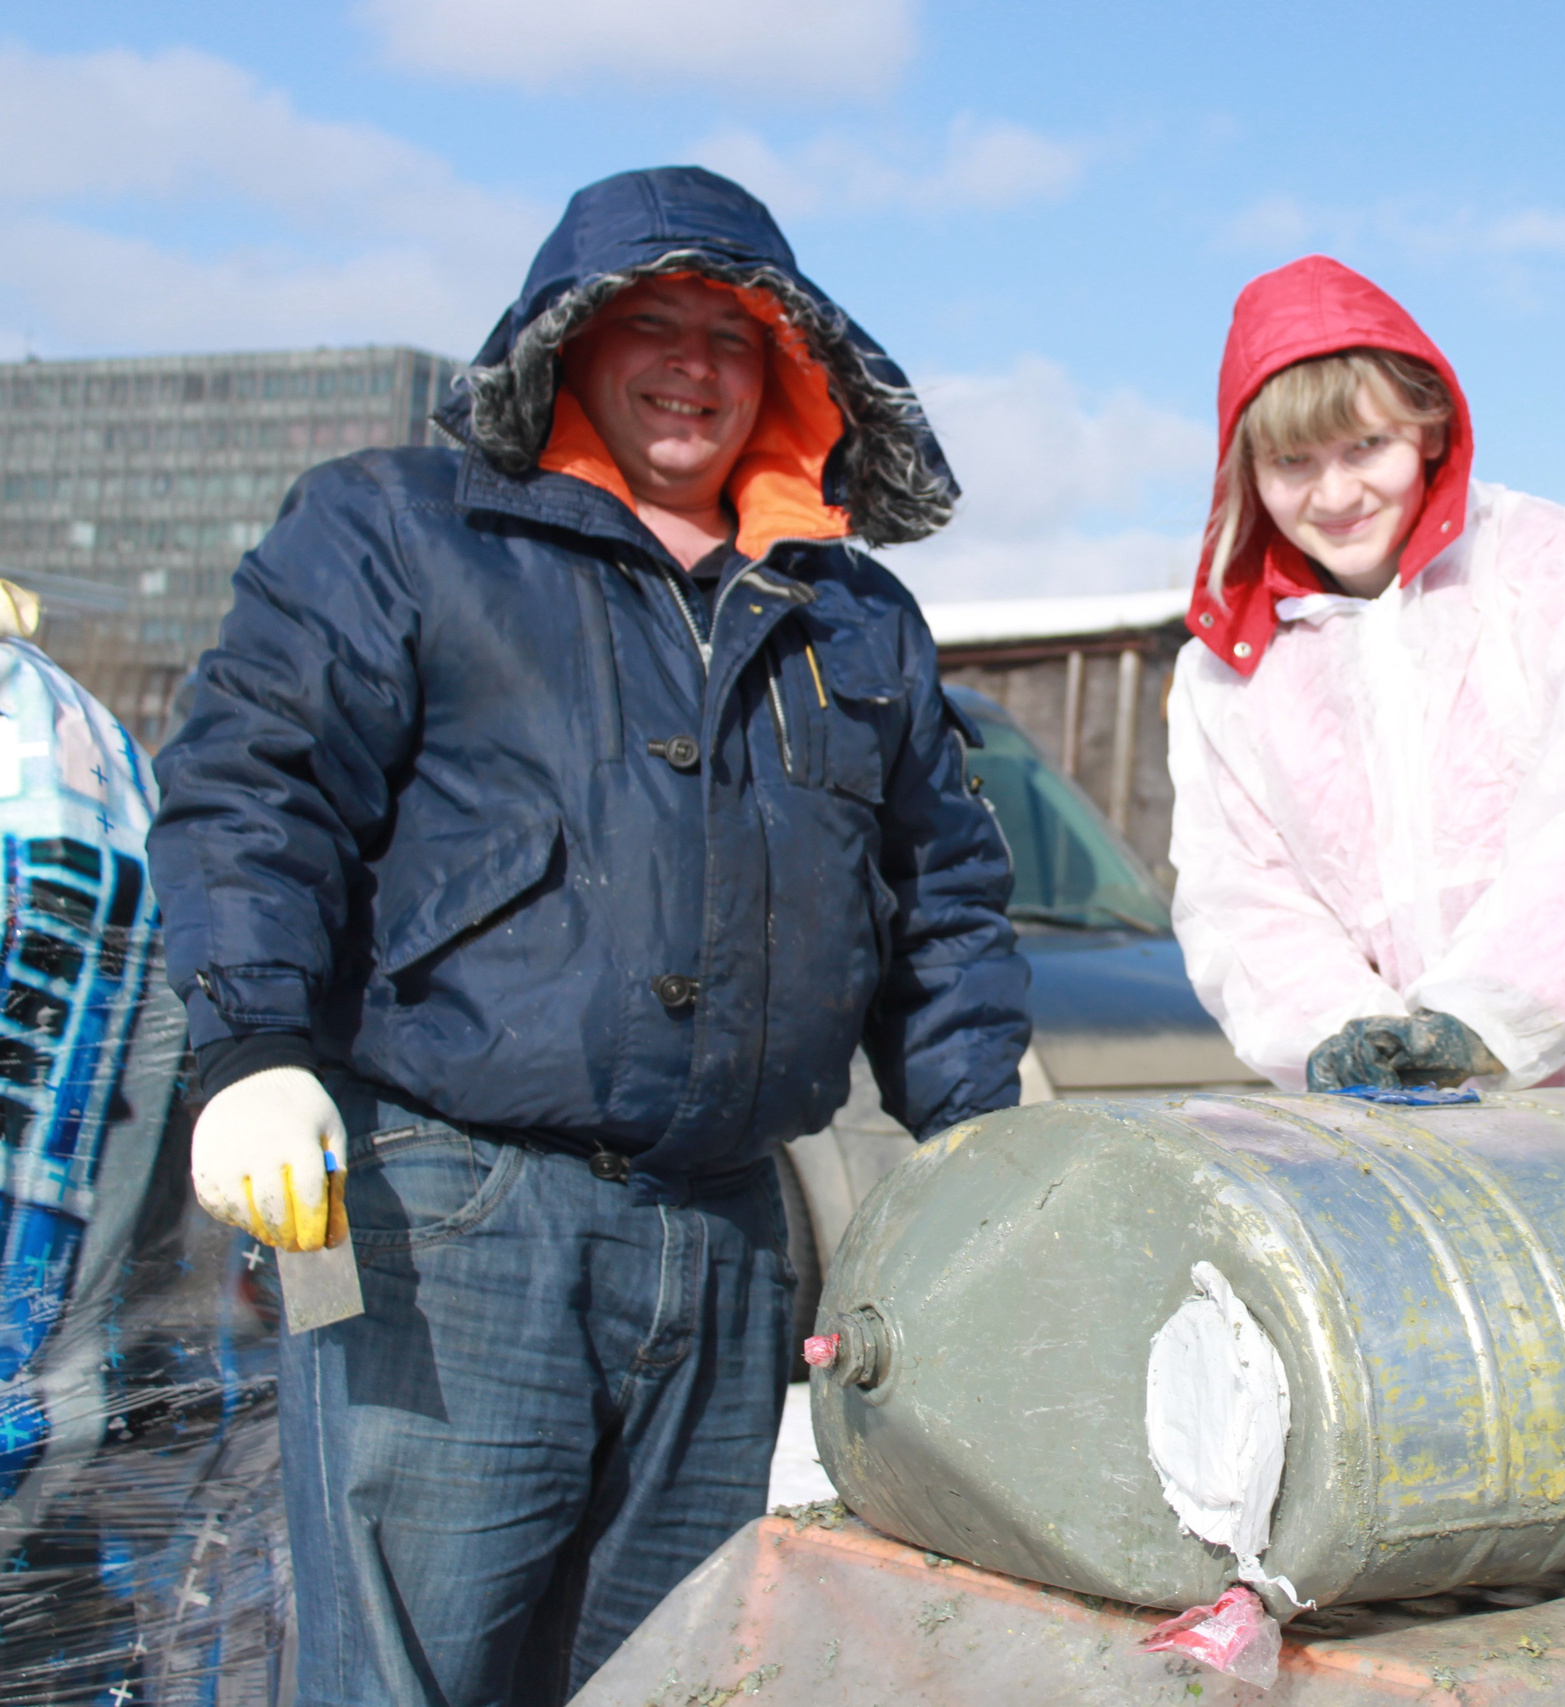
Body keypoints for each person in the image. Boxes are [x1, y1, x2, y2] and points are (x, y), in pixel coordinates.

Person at [147, 167, 1031, 1704]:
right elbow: (256, 782)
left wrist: (985, 1152)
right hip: (454, 1213)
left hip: (734, 1236)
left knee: (662, 1674)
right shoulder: (402, 530)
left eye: (733, 336)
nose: (693, 365)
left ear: (790, 374)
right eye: (652, 323)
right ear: (567, 340)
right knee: (410, 1676)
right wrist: (251, 1044)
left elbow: (940, 898)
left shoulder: (851, 615)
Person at [1165, 256, 1565, 1096]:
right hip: (1402, 1137)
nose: (1335, 494)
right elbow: (1242, 889)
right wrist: (1350, 1036)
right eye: (1293, 461)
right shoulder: (1235, 666)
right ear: (1248, 472)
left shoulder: (1539, 569)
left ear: (1430, 430)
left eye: (1366, 446)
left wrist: (1487, 1015)